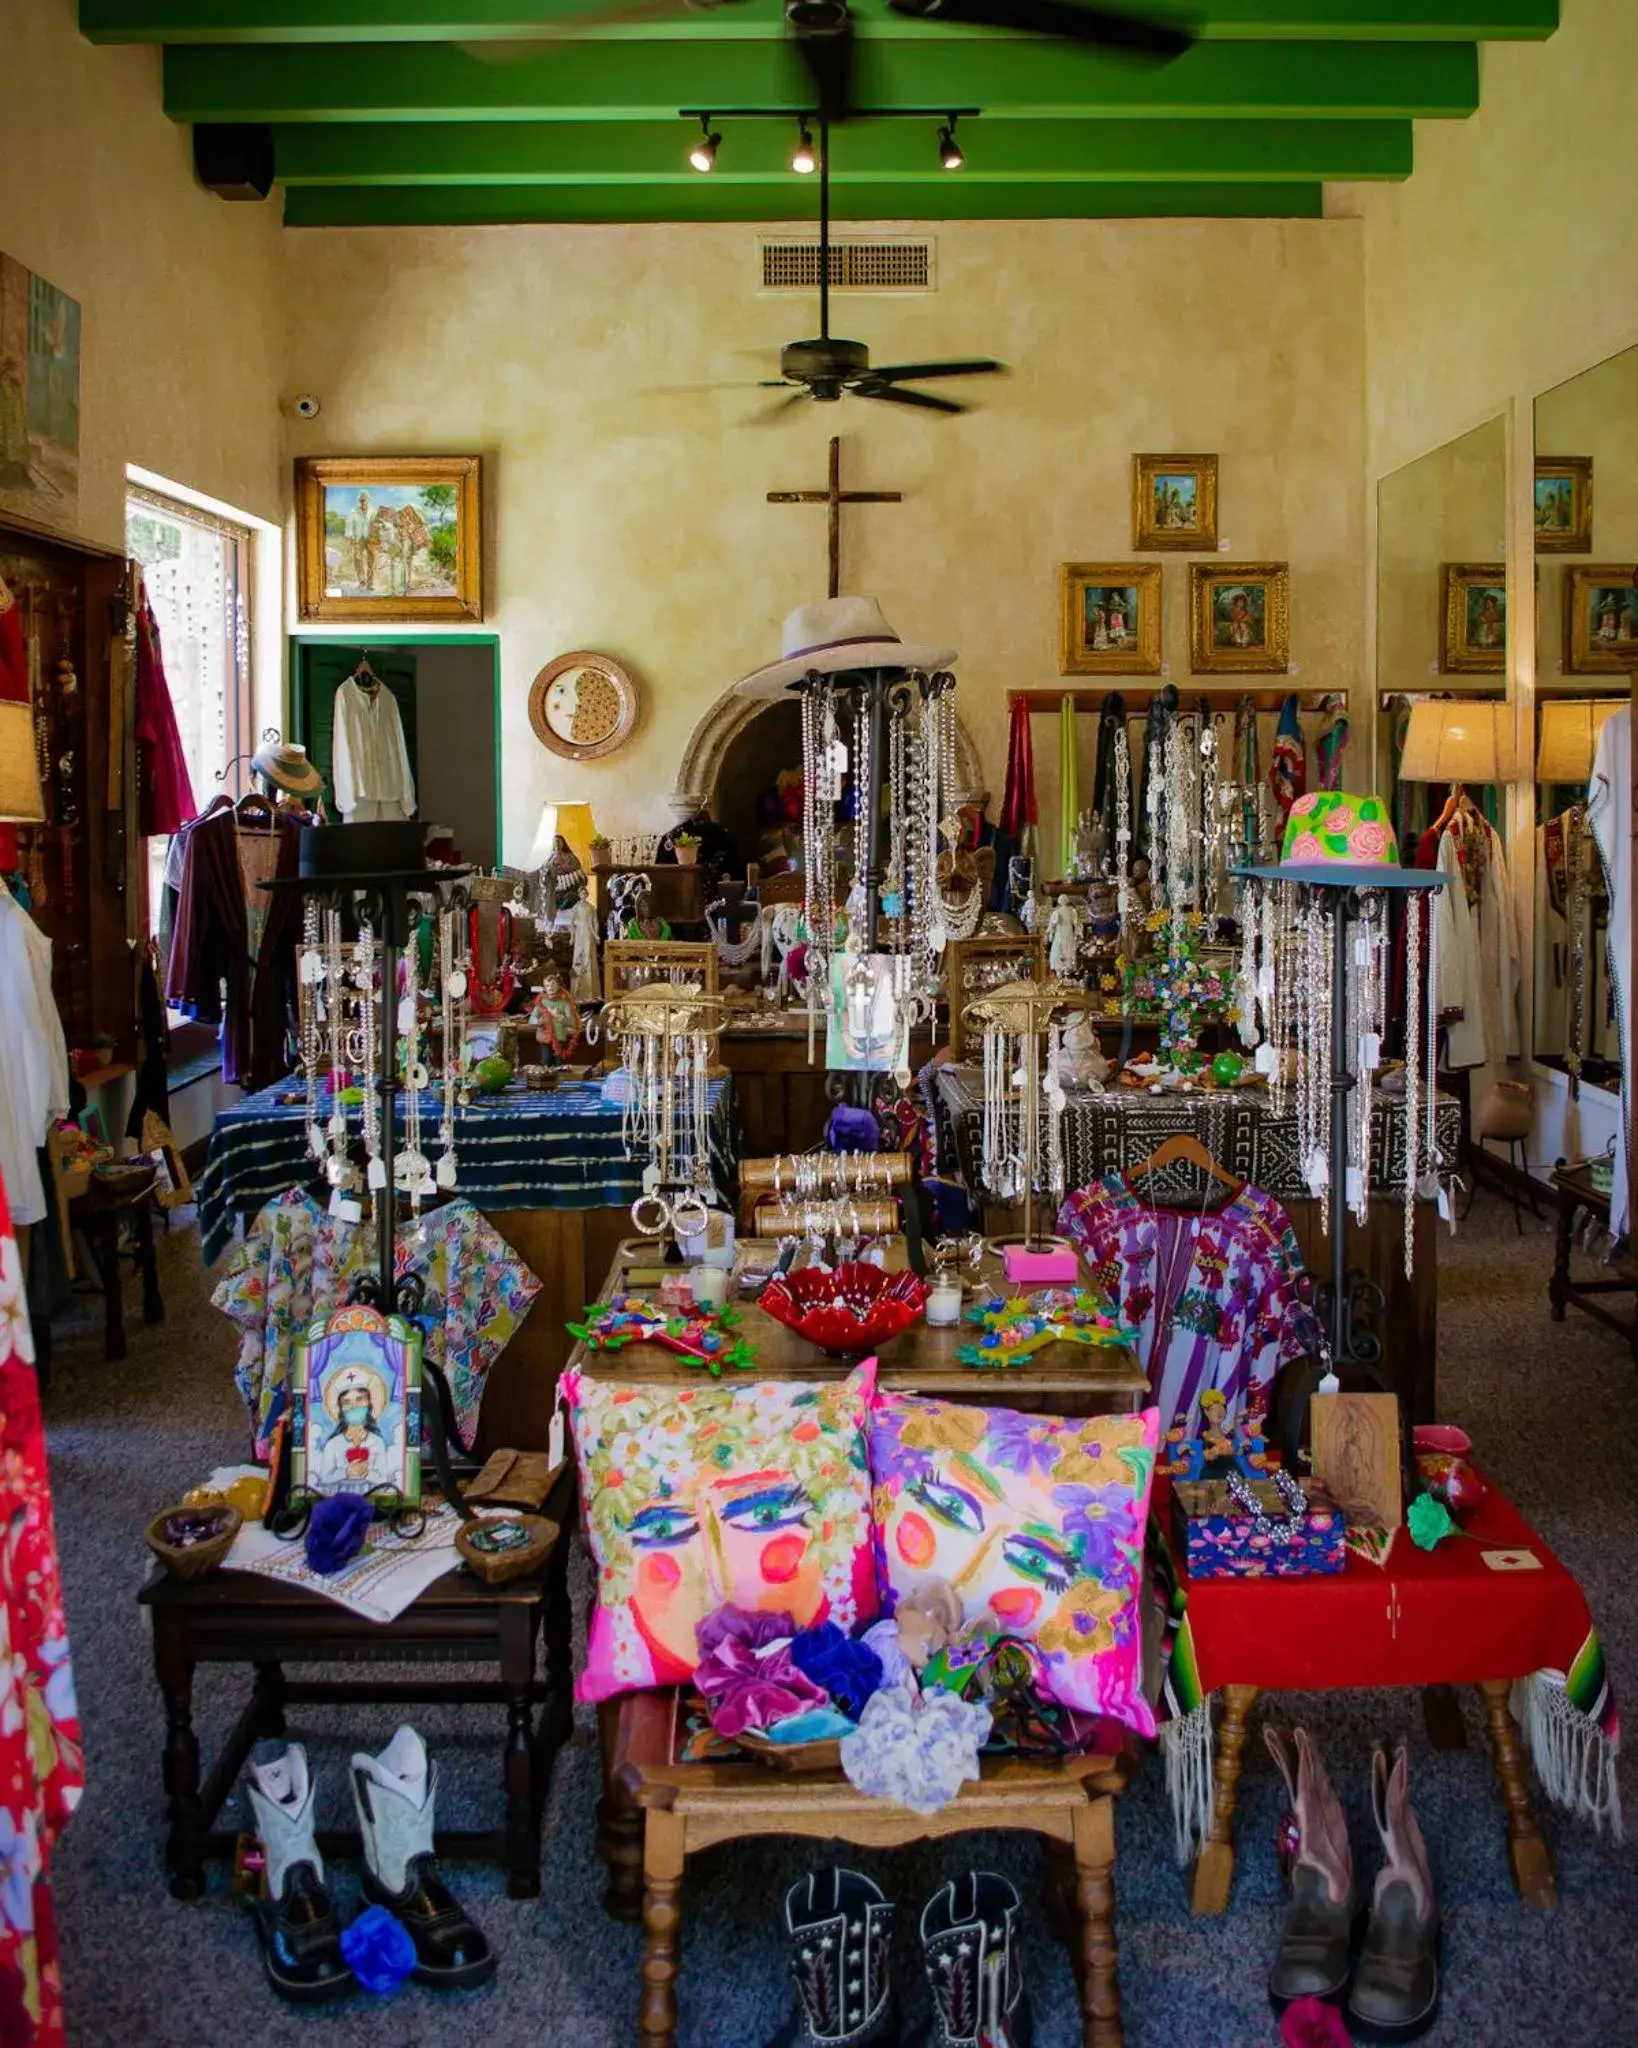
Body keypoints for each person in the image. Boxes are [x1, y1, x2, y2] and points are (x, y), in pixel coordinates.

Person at [311, 1362, 399, 1494]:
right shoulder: (333, 1444)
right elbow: (325, 1477)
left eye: (359, 1399)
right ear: (340, 1409)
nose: (354, 1406)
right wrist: (347, 1471)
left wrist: (367, 1472)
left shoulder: (377, 1442)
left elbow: (383, 1479)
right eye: (347, 1402)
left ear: (369, 1403)